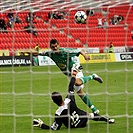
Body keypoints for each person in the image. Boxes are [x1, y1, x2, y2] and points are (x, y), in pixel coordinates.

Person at [38, 39, 103, 114]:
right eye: (53, 47)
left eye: (56, 46)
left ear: (59, 45)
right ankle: (94, 109)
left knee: (76, 83)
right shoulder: (50, 53)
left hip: (74, 68)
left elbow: (78, 51)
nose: (55, 48)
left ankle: (93, 76)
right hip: (68, 73)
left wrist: (85, 55)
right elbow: (38, 53)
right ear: (50, 47)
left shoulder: (65, 51)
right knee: (80, 93)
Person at [33, 76, 115, 130]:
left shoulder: (58, 113)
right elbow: (70, 87)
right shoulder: (69, 100)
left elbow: (54, 128)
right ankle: (107, 120)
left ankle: (106, 119)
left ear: (54, 102)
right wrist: (73, 75)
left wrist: (42, 125)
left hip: (74, 126)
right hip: (83, 120)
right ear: (61, 97)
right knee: (91, 115)